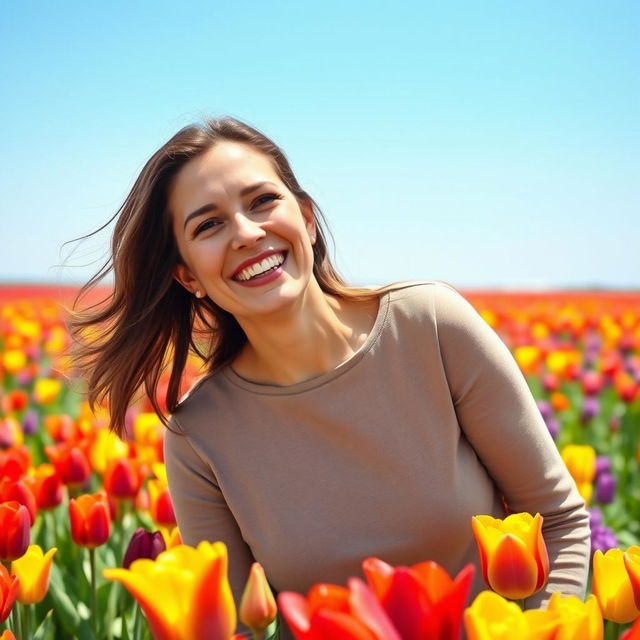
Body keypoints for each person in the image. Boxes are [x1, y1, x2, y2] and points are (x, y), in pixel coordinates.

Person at [72, 116, 590, 637]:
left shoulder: (430, 328)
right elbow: (234, 628)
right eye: (208, 225)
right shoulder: (200, 435)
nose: (248, 233)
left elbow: (559, 520)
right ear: (188, 276)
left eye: (262, 201)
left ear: (307, 218)